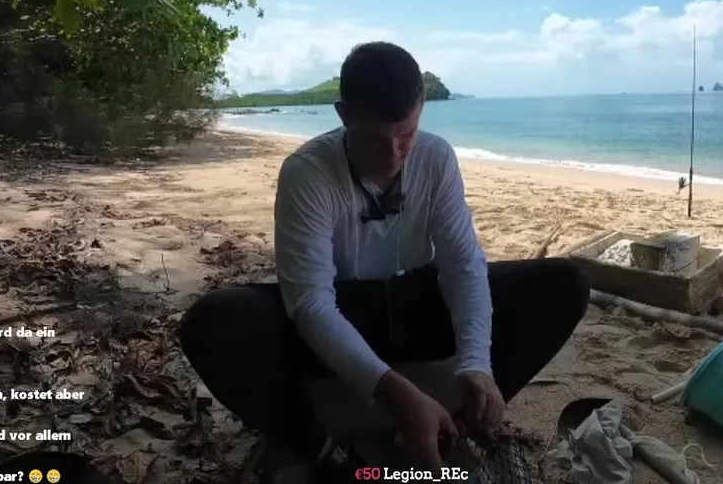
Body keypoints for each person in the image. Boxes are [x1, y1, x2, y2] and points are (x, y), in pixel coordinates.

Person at [178, 42, 589, 480]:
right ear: (343, 115)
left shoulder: (436, 158)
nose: (394, 154)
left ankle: (460, 417)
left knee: (563, 283)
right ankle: (326, 450)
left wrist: (476, 363)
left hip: (413, 304)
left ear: (421, 108)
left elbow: (462, 264)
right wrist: (397, 394)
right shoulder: (308, 172)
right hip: (343, 313)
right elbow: (312, 303)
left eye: (406, 135)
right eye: (375, 140)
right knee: (211, 322)